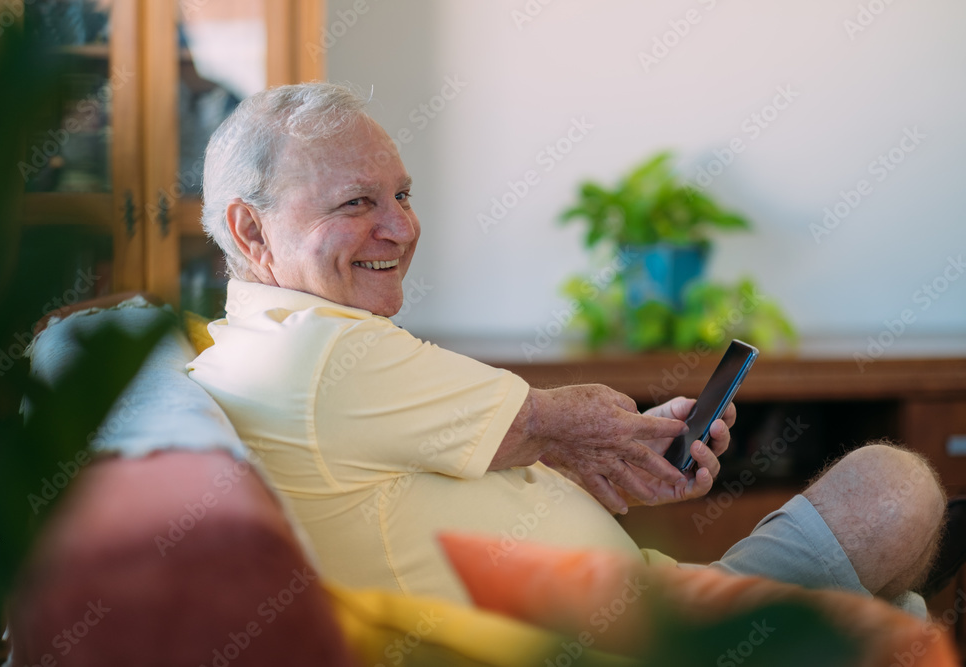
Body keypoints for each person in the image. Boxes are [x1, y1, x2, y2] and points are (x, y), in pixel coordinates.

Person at [187, 83, 947, 616]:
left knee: (890, 520)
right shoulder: (318, 354)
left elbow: (530, 446)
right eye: (357, 202)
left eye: (403, 195)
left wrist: (607, 455)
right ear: (251, 230)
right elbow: (568, 419)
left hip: (658, 596)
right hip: (658, 639)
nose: (403, 228)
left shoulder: (277, 346)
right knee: (897, 495)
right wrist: (617, 437)